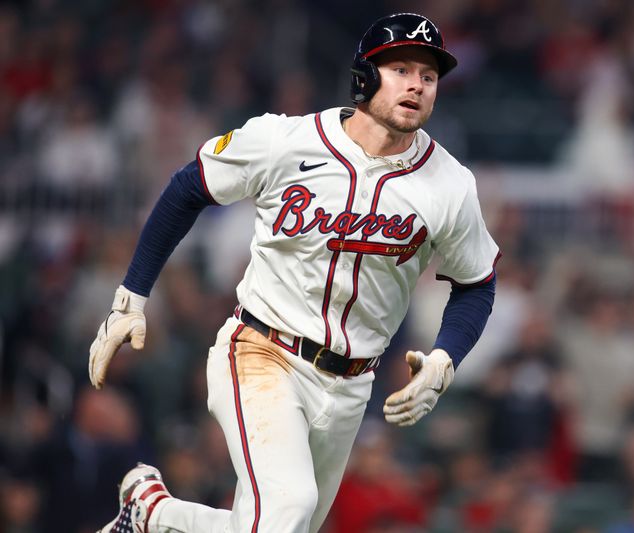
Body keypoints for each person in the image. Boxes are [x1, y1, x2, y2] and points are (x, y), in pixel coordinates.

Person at [88, 12, 499, 533]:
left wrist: (446, 356)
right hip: (263, 351)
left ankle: (155, 513)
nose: (417, 84)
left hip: (352, 386)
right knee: (286, 511)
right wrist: (132, 296)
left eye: (429, 75)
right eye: (401, 68)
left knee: (273, 525)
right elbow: (188, 187)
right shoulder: (286, 140)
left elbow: (476, 283)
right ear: (365, 76)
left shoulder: (450, 184)